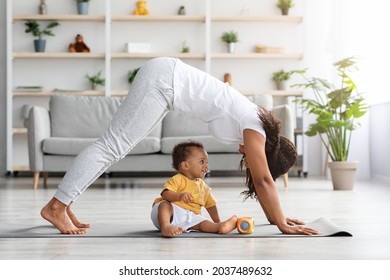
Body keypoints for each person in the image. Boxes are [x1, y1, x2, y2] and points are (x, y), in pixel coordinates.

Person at [41, 57, 320, 235]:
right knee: (111, 146)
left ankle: (64, 204)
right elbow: (263, 181)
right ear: (269, 155)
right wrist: (282, 223)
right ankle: (56, 206)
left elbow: (262, 180)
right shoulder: (255, 128)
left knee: (116, 148)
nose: (247, 161)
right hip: (164, 81)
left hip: (166, 84)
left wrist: (275, 220)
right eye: (257, 161)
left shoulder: (254, 126)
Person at [151, 141, 238, 237]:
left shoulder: (204, 187)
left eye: (206, 162)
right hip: (168, 214)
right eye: (201, 161)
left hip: (189, 217)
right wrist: (179, 196)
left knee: (202, 223)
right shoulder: (178, 179)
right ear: (185, 165)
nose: (206, 165)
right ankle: (166, 226)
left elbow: (211, 206)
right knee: (164, 205)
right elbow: (165, 194)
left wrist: (217, 221)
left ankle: (219, 227)